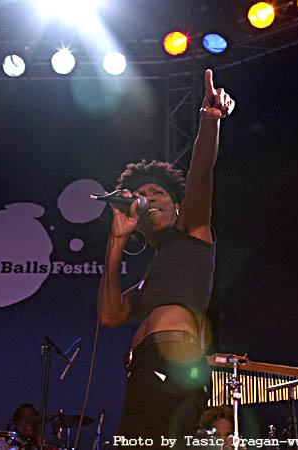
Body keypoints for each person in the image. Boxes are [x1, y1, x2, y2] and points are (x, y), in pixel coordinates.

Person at [97, 69, 234, 449]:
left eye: (158, 192)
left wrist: (209, 120)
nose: (149, 198)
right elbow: (109, 315)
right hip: (144, 365)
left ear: (177, 206)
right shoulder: (152, 281)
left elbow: (200, 175)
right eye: (142, 194)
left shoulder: (192, 233)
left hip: (171, 359)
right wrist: (116, 239)